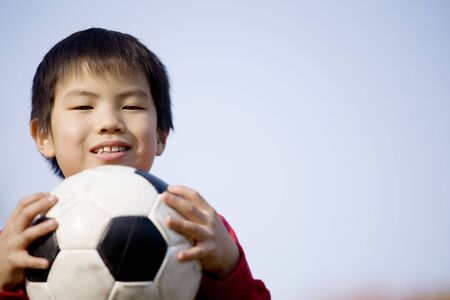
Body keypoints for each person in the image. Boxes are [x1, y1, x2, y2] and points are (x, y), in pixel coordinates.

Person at [0, 28, 270, 300]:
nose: (110, 123)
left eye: (132, 107)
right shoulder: (19, 241)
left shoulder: (196, 226)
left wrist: (229, 267)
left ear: (161, 134)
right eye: (83, 106)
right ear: (43, 135)